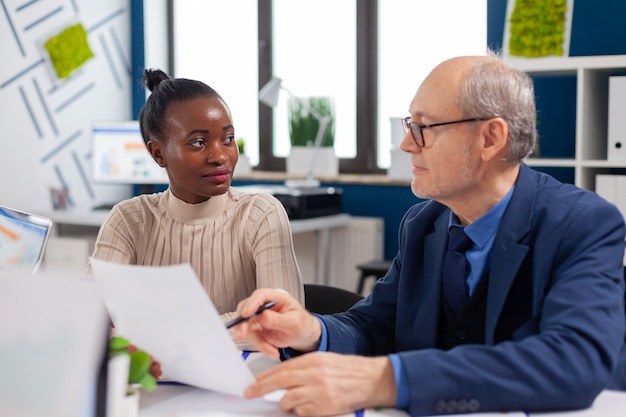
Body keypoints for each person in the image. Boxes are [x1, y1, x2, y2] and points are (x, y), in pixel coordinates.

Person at [233, 52, 626, 417]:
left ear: (490, 137)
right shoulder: (424, 224)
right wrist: (312, 330)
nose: (406, 144)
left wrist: (388, 379)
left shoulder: (583, 223)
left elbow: (575, 361)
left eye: (423, 127)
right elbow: (377, 327)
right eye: (409, 125)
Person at [89, 69, 304, 329]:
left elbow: (280, 321)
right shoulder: (129, 220)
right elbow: (91, 314)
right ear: (158, 153)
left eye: (228, 139)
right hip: (156, 368)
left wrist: (157, 329)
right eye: (199, 142)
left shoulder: (260, 214)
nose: (220, 156)